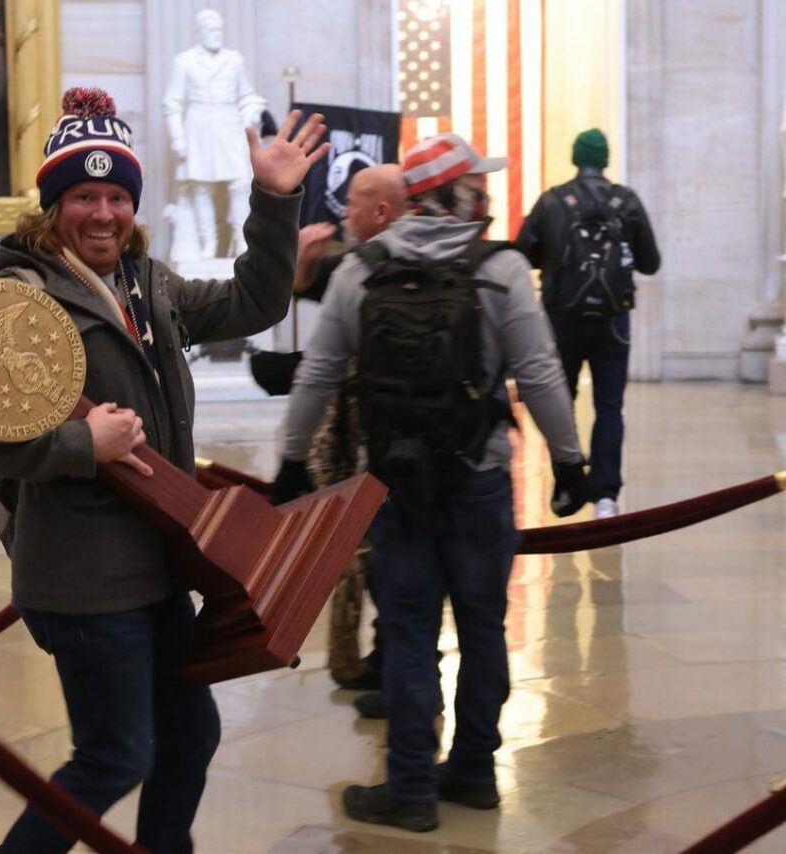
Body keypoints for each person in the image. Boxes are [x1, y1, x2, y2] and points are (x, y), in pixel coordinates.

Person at [0, 85, 327, 853]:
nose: (104, 213)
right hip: (81, 578)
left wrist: (273, 200)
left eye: (117, 195)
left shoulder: (147, 286)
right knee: (115, 754)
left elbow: (254, 299)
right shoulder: (14, 301)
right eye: (84, 195)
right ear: (52, 207)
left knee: (187, 740)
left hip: (157, 567)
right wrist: (85, 447)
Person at [272, 132, 589, 832]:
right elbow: (538, 372)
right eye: (480, 181)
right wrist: (569, 461)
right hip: (477, 478)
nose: (488, 190)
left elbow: (320, 372)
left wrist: (290, 459)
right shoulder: (500, 269)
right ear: (460, 193)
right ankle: (474, 771)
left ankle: (410, 786)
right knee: (482, 629)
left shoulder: (363, 270)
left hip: (395, 482)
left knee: (410, 630)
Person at [289, 163, 406, 694]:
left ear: (382, 210)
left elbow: (321, 366)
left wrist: (291, 457)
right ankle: (383, 659)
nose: (344, 211)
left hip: (381, 445)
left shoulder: (376, 267)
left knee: (386, 559)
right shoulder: (354, 264)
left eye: (355, 201)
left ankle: (389, 665)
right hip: (375, 442)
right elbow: (304, 290)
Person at [515, 128, 661, 518]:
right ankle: (607, 496)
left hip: (563, 319)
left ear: (576, 158)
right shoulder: (626, 201)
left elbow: (521, 254)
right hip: (613, 321)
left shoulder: (551, 201)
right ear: (605, 159)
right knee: (610, 406)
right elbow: (651, 262)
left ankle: (568, 482)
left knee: (559, 402)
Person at [162, 8, 267, 259]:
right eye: (210, 30)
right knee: (201, 187)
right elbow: (172, 102)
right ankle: (209, 242)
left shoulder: (234, 60)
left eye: (219, 29)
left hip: (228, 124)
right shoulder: (185, 61)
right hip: (198, 126)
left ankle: (242, 239)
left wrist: (253, 109)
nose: (216, 34)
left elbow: (246, 94)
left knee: (240, 183)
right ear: (199, 32)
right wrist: (178, 137)